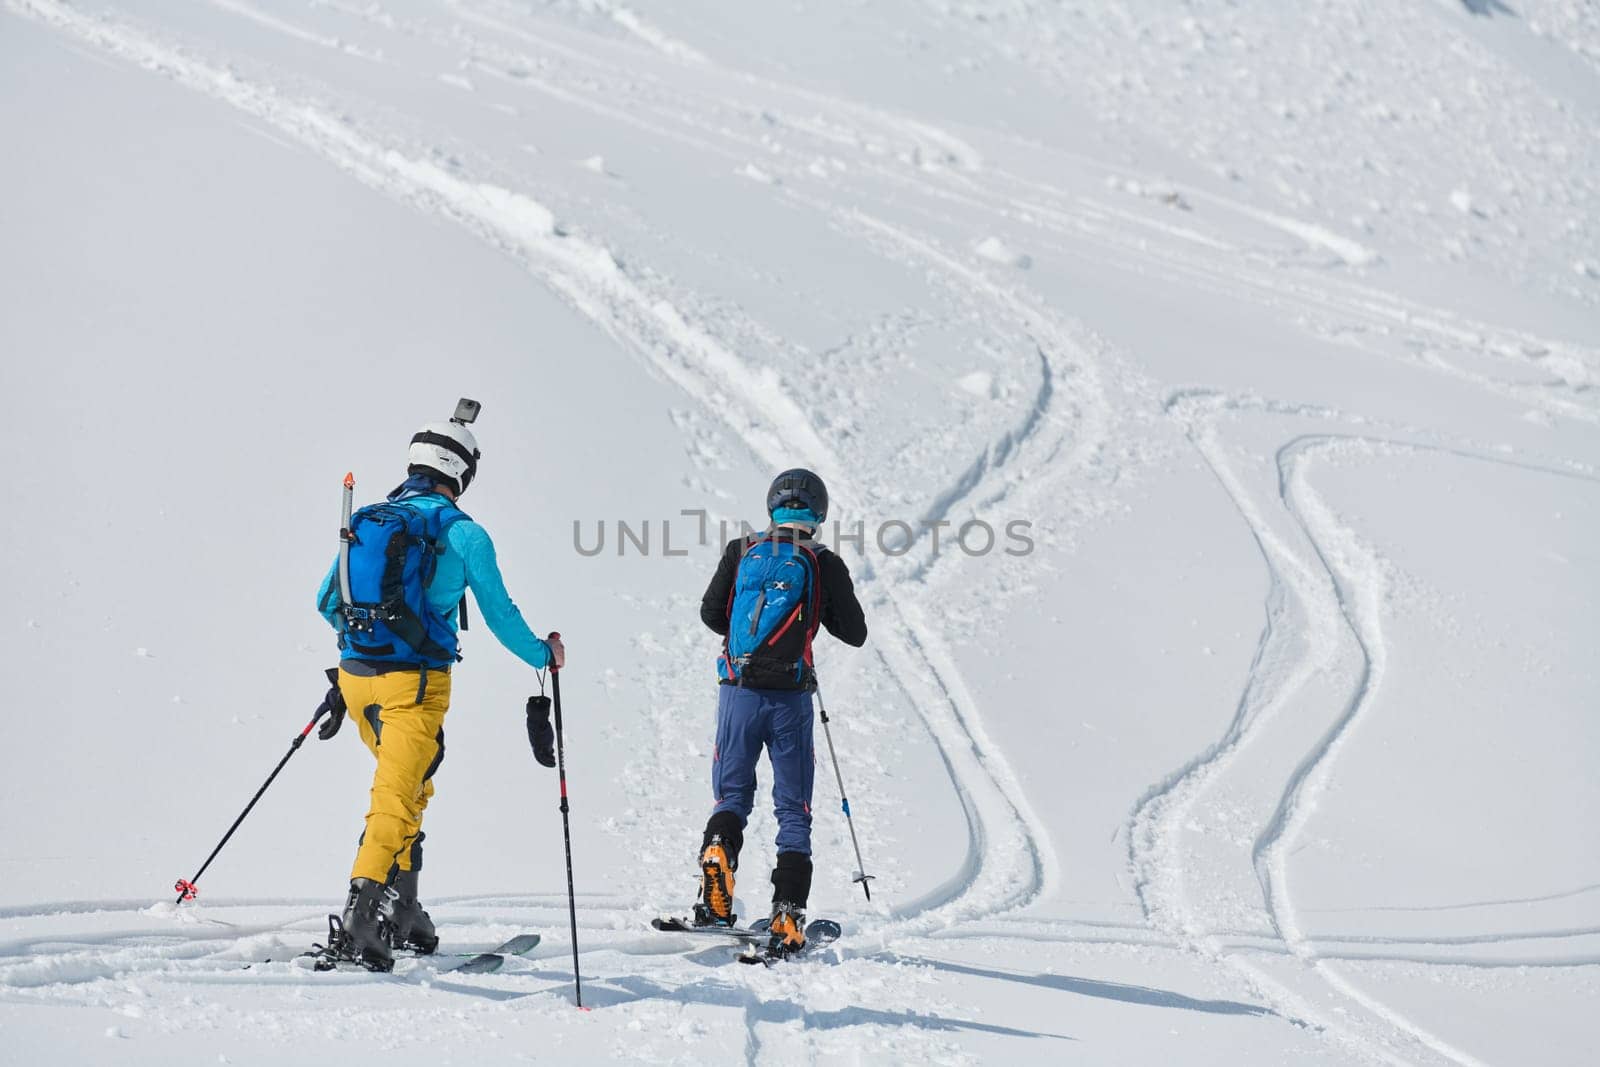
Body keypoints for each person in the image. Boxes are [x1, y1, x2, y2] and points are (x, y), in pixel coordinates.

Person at [311, 413, 564, 971]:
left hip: (355, 680)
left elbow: (327, 601)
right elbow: (500, 615)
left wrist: (358, 657)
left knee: (414, 783)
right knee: (395, 798)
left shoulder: (372, 522)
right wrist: (544, 655)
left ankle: (404, 910)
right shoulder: (464, 533)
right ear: (463, 472)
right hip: (415, 686)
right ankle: (361, 917)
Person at [694, 468, 867, 956]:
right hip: (790, 700)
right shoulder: (821, 560)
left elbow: (711, 614)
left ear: (772, 505)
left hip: (738, 692)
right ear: (819, 513)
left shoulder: (742, 549)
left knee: (731, 795)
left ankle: (716, 869)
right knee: (794, 808)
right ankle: (787, 915)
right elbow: (854, 632)